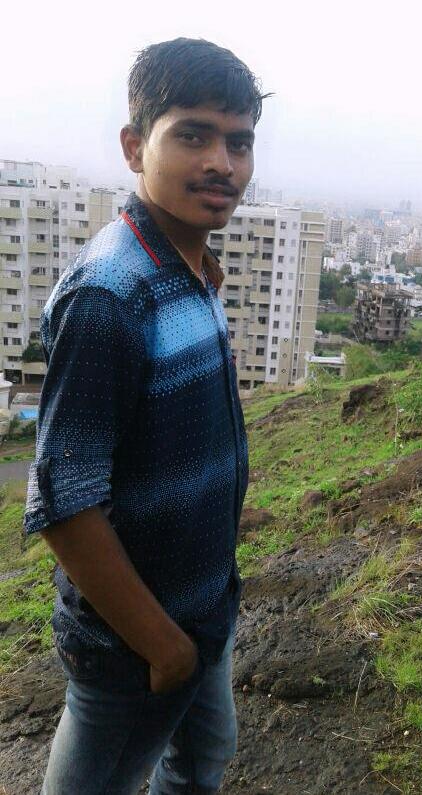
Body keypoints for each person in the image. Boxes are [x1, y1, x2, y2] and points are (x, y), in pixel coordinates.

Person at [24, 37, 268, 794]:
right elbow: (65, 504)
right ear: (135, 147)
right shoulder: (111, 294)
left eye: (239, 142)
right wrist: (164, 647)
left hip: (203, 607)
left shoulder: (189, 267)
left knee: (203, 757)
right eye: (193, 135)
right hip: (136, 643)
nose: (222, 164)